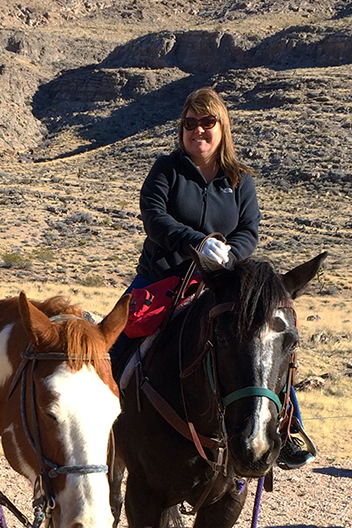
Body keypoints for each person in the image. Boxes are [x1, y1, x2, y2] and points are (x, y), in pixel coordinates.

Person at [111, 86, 315, 469]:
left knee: (264, 344)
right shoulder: (166, 170)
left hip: (222, 285)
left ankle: (288, 431)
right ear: (181, 129)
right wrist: (197, 242)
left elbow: (249, 231)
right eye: (190, 123)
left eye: (207, 122)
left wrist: (230, 254)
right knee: (113, 349)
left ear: (223, 128)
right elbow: (154, 218)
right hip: (161, 281)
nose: (198, 131)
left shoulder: (241, 181)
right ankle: (101, 420)